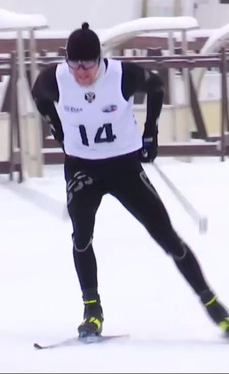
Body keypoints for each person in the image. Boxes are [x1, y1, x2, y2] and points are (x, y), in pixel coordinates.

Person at [31, 22, 229, 339]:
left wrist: (150, 132)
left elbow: (157, 87)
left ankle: (212, 303)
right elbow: (38, 95)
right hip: (82, 167)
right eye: (76, 65)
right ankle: (92, 310)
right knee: (81, 236)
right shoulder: (55, 79)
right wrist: (55, 125)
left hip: (124, 166)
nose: (82, 73)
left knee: (166, 235)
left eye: (89, 65)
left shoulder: (121, 76)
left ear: (100, 59)